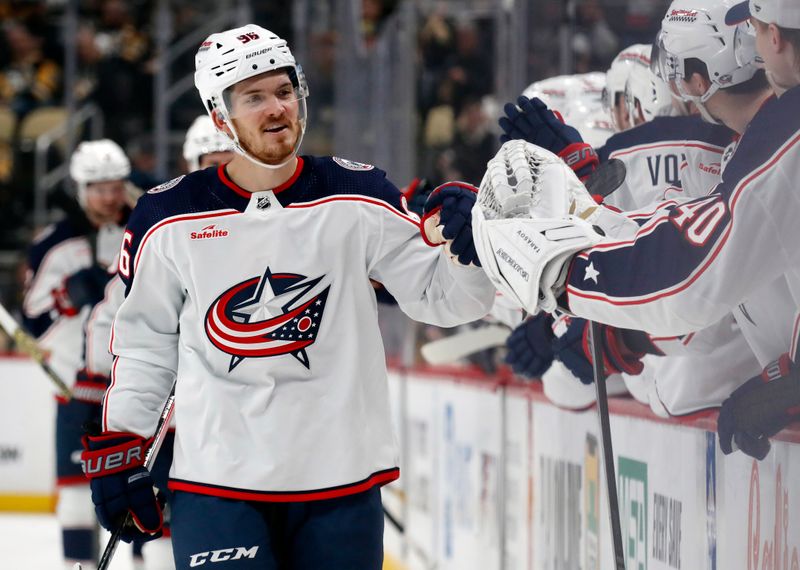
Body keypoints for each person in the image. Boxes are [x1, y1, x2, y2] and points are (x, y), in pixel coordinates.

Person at [80, 25, 494, 569]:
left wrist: (471, 247)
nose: (277, 108)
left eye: (284, 91)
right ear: (220, 114)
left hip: (341, 481)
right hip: (216, 483)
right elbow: (145, 345)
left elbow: (447, 300)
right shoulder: (167, 216)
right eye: (253, 97)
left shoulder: (359, 194)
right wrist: (123, 443)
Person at [475, 0, 800, 458]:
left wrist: (563, 275)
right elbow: (690, 241)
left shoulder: (783, 137)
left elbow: (690, 271)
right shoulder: (759, 140)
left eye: (760, 27)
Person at [77, 116, 236, 570]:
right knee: (166, 517)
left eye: (230, 157)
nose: (222, 168)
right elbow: (119, 318)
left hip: (240, 413)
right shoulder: (168, 225)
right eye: (211, 160)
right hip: (180, 407)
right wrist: (109, 383)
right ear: (193, 163)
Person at [22, 139, 131, 570]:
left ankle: (147, 556)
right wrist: (67, 295)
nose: (109, 195)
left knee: (145, 489)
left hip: (134, 382)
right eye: (99, 187)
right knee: (73, 491)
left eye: (115, 185)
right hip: (75, 385)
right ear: (81, 188)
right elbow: (33, 319)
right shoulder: (55, 242)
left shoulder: (144, 227)